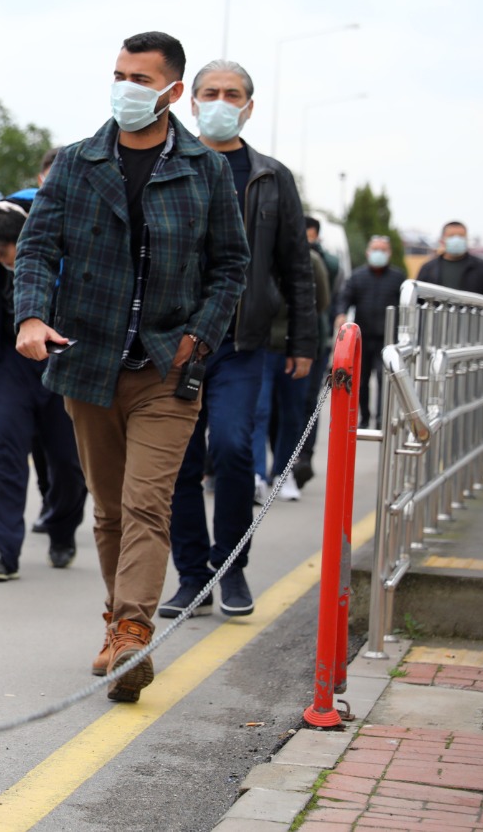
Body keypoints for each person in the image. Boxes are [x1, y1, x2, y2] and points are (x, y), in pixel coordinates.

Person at [14, 31, 248, 703]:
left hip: (167, 371)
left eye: (140, 79)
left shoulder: (204, 168)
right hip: (88, 364)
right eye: (119, 74)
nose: (126, 88)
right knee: (111, 511)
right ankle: (117, 624)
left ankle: (134, 637)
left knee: (148, 504)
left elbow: (230, 267)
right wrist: (31, 315)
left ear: (172, 92)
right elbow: (36, 247)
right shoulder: (79, 161)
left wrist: (199, 338)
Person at [162, 60, 314, 623]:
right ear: (191, 102)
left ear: (248, 107)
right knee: (178, 459)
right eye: (210, 92)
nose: (221, 101)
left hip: (242, 342)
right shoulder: (167, 165)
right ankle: (191, 576)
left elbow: (296, 265)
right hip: (173, 342)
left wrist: (304, 342)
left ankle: (232, 566)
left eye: (232, 94)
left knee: (231, 448)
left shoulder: (271, 177)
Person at [0, 196, 88, 578]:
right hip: (8, 361)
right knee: (1, 452)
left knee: (68, 460)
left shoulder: (65, 243)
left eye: (10, 251)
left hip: (62, 358)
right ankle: (2, 551)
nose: (5, 259)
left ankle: (62, 528)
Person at [334, 236, 406, 428]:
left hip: (387, 339)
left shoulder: (398, 278)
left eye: (383, 250)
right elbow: (345, 298)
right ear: (368, 252)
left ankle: (381, 419)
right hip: (362, 338)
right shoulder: (358, 277)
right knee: (361, 380)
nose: (379, 253)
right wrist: (340, 313)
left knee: (385, 379)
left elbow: (407, 306)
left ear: (389, 253)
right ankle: (364, 417)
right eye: (375, 249)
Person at [29, 147, 63, 534]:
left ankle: (63, 514)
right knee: (36, 439)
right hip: (30, 345)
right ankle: (47, 500)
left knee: (66, 448)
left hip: (75, 346)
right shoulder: (19, 214)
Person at [294, 217, 340, 488]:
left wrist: (313, 253)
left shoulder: (325, 262)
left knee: (308, 401)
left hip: (317, 341)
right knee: (284, 407)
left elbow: (326, 295)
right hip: (285, 343)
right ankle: (287, 460)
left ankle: (304, 457)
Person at [416, 221, 483, 297]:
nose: (457, 239)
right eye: (451, 236)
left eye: (461, 236)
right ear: (442, 240)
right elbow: (418, 299)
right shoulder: (428, 268)